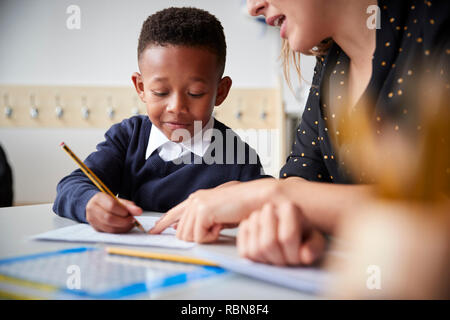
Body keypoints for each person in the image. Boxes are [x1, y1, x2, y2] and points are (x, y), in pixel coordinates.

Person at [150, 0, 449, 266]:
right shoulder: (330, 67)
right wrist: (294, 224)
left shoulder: (438, 23)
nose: (253, 6)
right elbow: (303, 179)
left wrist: (273, 194)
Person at [53, 7, 266, 233]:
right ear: (141, 88)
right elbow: (70, 187)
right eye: (161, 92)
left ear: (220, 92)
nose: (176, 107)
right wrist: (90, 204)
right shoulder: (127, 138)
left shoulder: (237, 157)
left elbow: (269, 205)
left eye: (195, 93)